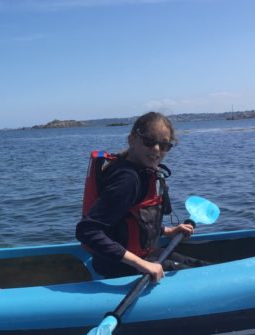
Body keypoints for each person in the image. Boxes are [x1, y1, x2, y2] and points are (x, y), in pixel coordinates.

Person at [76, 111, 200, 283]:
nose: (157, 150)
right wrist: (142, 264)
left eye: (164, 145)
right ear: (132, 139)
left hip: (138, 258)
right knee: (203, 274)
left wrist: (168, 231)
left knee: (200, 266)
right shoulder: (128, 180)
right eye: (149, 142)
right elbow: (87, 230)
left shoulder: (139, 170)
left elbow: (127, 220)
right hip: (120, 268)